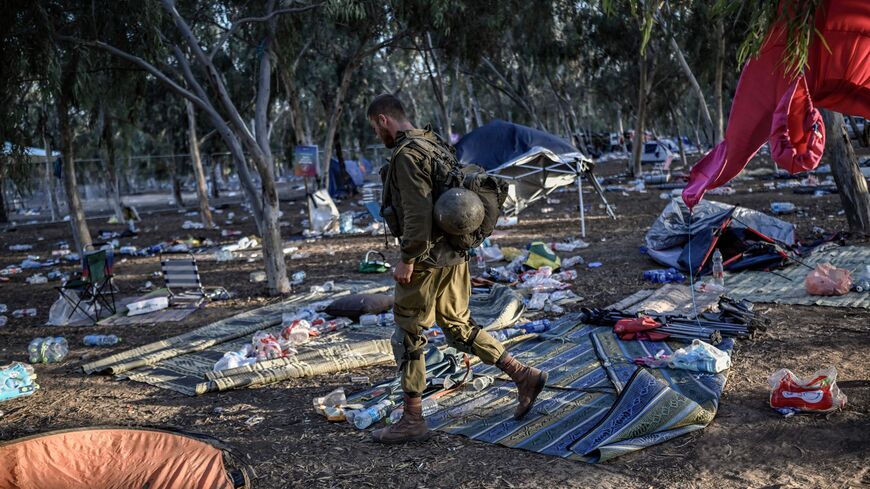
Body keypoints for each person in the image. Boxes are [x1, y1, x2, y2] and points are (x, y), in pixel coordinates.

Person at [366, 94, 548, 444]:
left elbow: (417, 214)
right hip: (454, 254)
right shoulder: (433, 143)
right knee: (458, 326)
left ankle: (412, 419)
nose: (378, 135)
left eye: (376, 128)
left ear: (383, 119)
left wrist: (407, 258)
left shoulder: (407, 155)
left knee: (408, 333)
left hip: (426, 260)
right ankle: (523, 375)